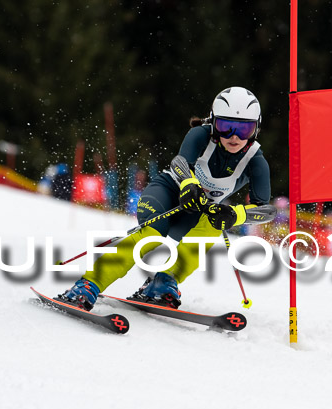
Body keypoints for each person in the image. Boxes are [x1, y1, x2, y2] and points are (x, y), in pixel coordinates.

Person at [56, 86, 272, 310]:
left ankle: (163, 282)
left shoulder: (256, 161)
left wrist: (234, 215)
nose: (234, 137)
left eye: (244, 129)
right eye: (226, 127)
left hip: (198, 210)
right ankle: (88, 285)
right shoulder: (200, 134)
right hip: (168, 192)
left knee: (209, 230)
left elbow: (266, 210)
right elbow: (179, 163)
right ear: (213, 122)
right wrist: (189, 184)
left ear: (256, 129)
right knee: (150, 235)